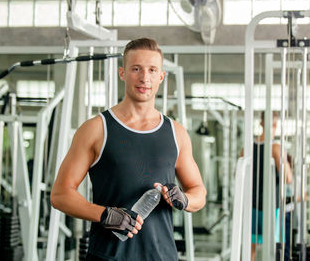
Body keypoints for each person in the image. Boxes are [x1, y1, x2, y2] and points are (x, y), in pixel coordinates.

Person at [50, 37, 207, 260]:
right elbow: (60, 194)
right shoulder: (95, 129)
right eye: (136, 69)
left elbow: (199, 191)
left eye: (152, 70)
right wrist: (104, 214)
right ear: (122, 73)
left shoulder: (176, 133)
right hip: (108, 256)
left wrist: (185, 199)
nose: (145, 78)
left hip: (163, 256)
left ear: (161, 77)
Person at [241, 111, 293, 261]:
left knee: (250, 246)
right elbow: (288, 178)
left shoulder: (247, 147)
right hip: (271, 206)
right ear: (275, 125)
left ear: (261, 123)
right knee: (275, 245)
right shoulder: (276, 148)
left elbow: (238, 176)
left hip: (251, 204)